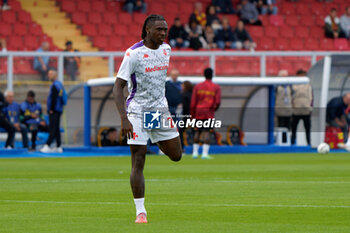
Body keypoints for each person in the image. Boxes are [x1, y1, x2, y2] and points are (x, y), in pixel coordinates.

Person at [113, 14, 182, 224]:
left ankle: (154, 137)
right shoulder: (133, 54)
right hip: (136, 112)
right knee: (139, 158)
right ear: (148, 30)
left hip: (158, 111)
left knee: (176, 155)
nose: (163, 33)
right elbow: (118, 86)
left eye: (165, 29)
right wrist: (124, 118)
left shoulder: (167, 50)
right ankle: (140, 211)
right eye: (159, 29)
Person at [191, 68, 221, 159]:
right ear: (212, 75)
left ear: (204, 75)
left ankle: (195, 153)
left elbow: (193, 102)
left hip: (198, 112)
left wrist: (192, 115)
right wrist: (213, 109)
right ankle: (204, 154)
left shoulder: (198, 86)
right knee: (207, 131)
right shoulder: (216, 87)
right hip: (209, 112)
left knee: (197, 131)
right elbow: (218, 102)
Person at [40, 69, 66, 153]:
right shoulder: (59, 85)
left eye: (50, 74)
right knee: (57, 128)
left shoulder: (55, 85)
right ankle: (58, 146)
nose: (48, 75)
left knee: (53, 128)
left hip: (54, 110)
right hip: (58, 109)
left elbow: (54, 98)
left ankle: (48, 145)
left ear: (55, 75)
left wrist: (51, 109)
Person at [290, 70, 313, 146]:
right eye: (301, 75)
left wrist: (310, 108)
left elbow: (311, 97)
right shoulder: (293, 85)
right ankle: (292, 142)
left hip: (306, 110)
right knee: (293, 128)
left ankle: (309, 143)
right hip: (296, 110)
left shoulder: (308, 85)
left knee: (307, 128)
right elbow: (291, 97)